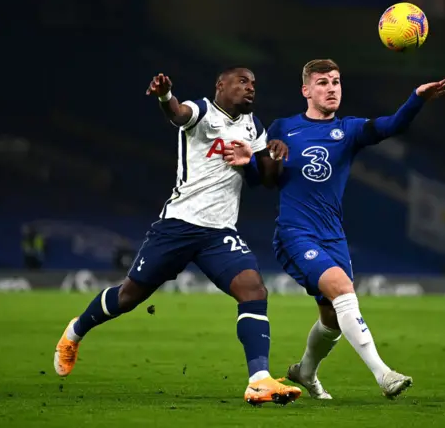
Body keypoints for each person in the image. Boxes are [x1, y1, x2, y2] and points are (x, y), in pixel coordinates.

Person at [54, 67, 301, 406]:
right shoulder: (201, 110)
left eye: (254, 84)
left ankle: (259, 380)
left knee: (254, 290)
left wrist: (273, 154)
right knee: (128, 297)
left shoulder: (253, 126)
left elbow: (266, 180)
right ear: (221, 85)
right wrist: (164, 96)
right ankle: (75, 331)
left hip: (220, 232)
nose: (250, 88)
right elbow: (177, 113)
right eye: (243, 82)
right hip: (179, 226)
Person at [232, 59, 445, 399]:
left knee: (332, 318)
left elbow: (391, 126)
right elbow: (262, 181)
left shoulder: (349, 130)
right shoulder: (282, 128)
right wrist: (258, 160)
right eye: (322, 82)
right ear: (306, 90)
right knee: (342, 288)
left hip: (333, 235)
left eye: (336, 81)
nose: (331, 88)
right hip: (294, 232)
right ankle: (384, 375)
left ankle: (305, 371)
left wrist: (416, 99)